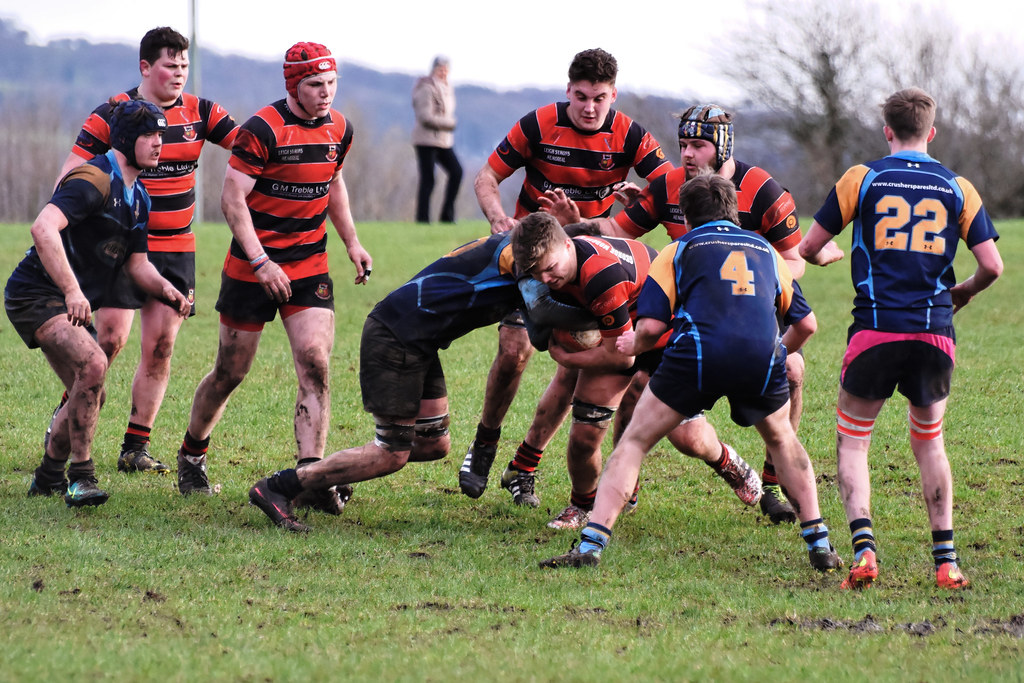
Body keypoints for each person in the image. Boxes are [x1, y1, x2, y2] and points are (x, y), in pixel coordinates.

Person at [534, 103, 837, 524]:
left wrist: (742, 268)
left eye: (698, 145)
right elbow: (620, 232)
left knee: (793, 370)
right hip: (689, 312)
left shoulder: (764, 189)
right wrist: (582, 219)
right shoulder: (669, 185)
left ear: (723, 148)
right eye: (682, 145)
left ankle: (772, 481)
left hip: (752, 301)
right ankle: (638, 485)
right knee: (667, 414)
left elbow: (795, 261)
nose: (687, 155)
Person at [246, 227, 596, 532]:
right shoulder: (519, 260)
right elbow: (543, 316)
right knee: (392, 453)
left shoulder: (526, 247)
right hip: (396, 336)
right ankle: (279, 487)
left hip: (417, 340)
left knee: (433, 445)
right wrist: (605, 314)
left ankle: (318, 481)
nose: (549, 276)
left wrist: (593, 228)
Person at [798, 87, 1002, 590]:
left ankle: (865, 552)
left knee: (854, 442)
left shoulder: (862, 178)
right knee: (930, 443)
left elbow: (809, 246)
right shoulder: (958, 187)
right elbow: (993, 266)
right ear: (931, 133)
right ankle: (947, 562)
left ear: (886, 130)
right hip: (934, 330)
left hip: (875, 328)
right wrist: (965, 293)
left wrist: (828, 255)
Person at [459, 47, 671, 501]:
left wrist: (645, 202)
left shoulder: (631, 135)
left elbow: (671, 193)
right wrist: (500, 222)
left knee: (574, 374)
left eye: (599, 98)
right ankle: (484, 442)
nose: (589, 108)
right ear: (567, 91)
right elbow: (485, 180)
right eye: (580, 97)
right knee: (515, 350)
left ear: (613, 95)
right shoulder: (538, 124)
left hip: (592, 272)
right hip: (538, 261)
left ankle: (525, 468)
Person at [176, 42, 372, 508]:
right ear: (293, 85)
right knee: (230, 371)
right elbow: (231, 198)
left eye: (331, 83)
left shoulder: (340, 129)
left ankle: (310, 476)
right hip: (252, 266)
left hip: (308, 264)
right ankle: (192, 454)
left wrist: (352, 242)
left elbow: (333, 184)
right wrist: (262, 261)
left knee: (315, 363)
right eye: (314, 85)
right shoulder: (263, 129)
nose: (326, 93)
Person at [54, 26, 239, 474]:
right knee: (110, 341)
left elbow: (252, 148)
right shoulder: (113, 113)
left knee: (160, 347)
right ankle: (63, 428)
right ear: (145, 67)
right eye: (169, 66)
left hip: (176, 247)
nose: (179, 74)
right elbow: (69, 177)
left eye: (184, 66)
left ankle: (134, 448)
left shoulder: (202, 113)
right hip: (120, 248)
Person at [511, 212, 764, 530]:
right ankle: (582, 505)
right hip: (619, 332)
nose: (545, 279)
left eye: (550, 269)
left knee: (688, 438)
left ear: (566, 245)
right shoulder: (546, 266)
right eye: (537, 272)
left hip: (665, 335)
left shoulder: (600, 274)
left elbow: (621, 360)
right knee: (584, 435)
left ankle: (726, 461)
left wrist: (569, 358)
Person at [7, 100, 191, 507]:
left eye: (162, 135)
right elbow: (43, 228)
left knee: (89, 390)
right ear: (125, 139)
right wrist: (73, 291)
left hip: (60, 298)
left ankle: (47, 478)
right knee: (93, 365)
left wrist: (168, 291)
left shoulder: (140, 196)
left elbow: (137, 265)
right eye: (150, 135)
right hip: (35, 293)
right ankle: (81, 478)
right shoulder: (93, 179)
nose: (159, 143)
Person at [412, 55, 462, 223]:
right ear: (434, 69)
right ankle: (422, 219)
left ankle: (447, 217)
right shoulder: (426, 87)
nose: (444, 73)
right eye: (441, 69)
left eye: (446, 69)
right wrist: (449, 124)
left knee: (457, 172)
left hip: (443, 141)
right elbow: (425, 116)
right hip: (426, 140)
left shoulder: (448, 87)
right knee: (428, 180)